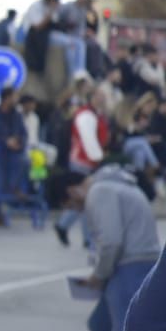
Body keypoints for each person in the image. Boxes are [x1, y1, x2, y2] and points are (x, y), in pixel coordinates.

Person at [68, 166, 158, 331]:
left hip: (130, 265)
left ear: (72, 190)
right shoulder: (119, 186)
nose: (77, 210)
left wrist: (99, 274)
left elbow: (111, 241)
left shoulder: (100, 191)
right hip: (136, 262)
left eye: (72, 204)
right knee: (98, 325)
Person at [56, 84, 110, 246]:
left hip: (86, 160)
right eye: (100, 95)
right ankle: (85, 237)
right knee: (86, 200)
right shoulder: (86, 115)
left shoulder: (94, 114)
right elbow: (88, 141)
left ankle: (64, 225)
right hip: (83, 161)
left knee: (84, 200)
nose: (103, 98)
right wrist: (98, 158)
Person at [0, 88, 28, 226]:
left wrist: (18, 142)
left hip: (14, 154)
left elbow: (23, 133)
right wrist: (5, 141)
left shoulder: (17, 115)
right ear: (7, 98)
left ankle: (14, 188)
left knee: (24, 162)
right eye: (14, 96)